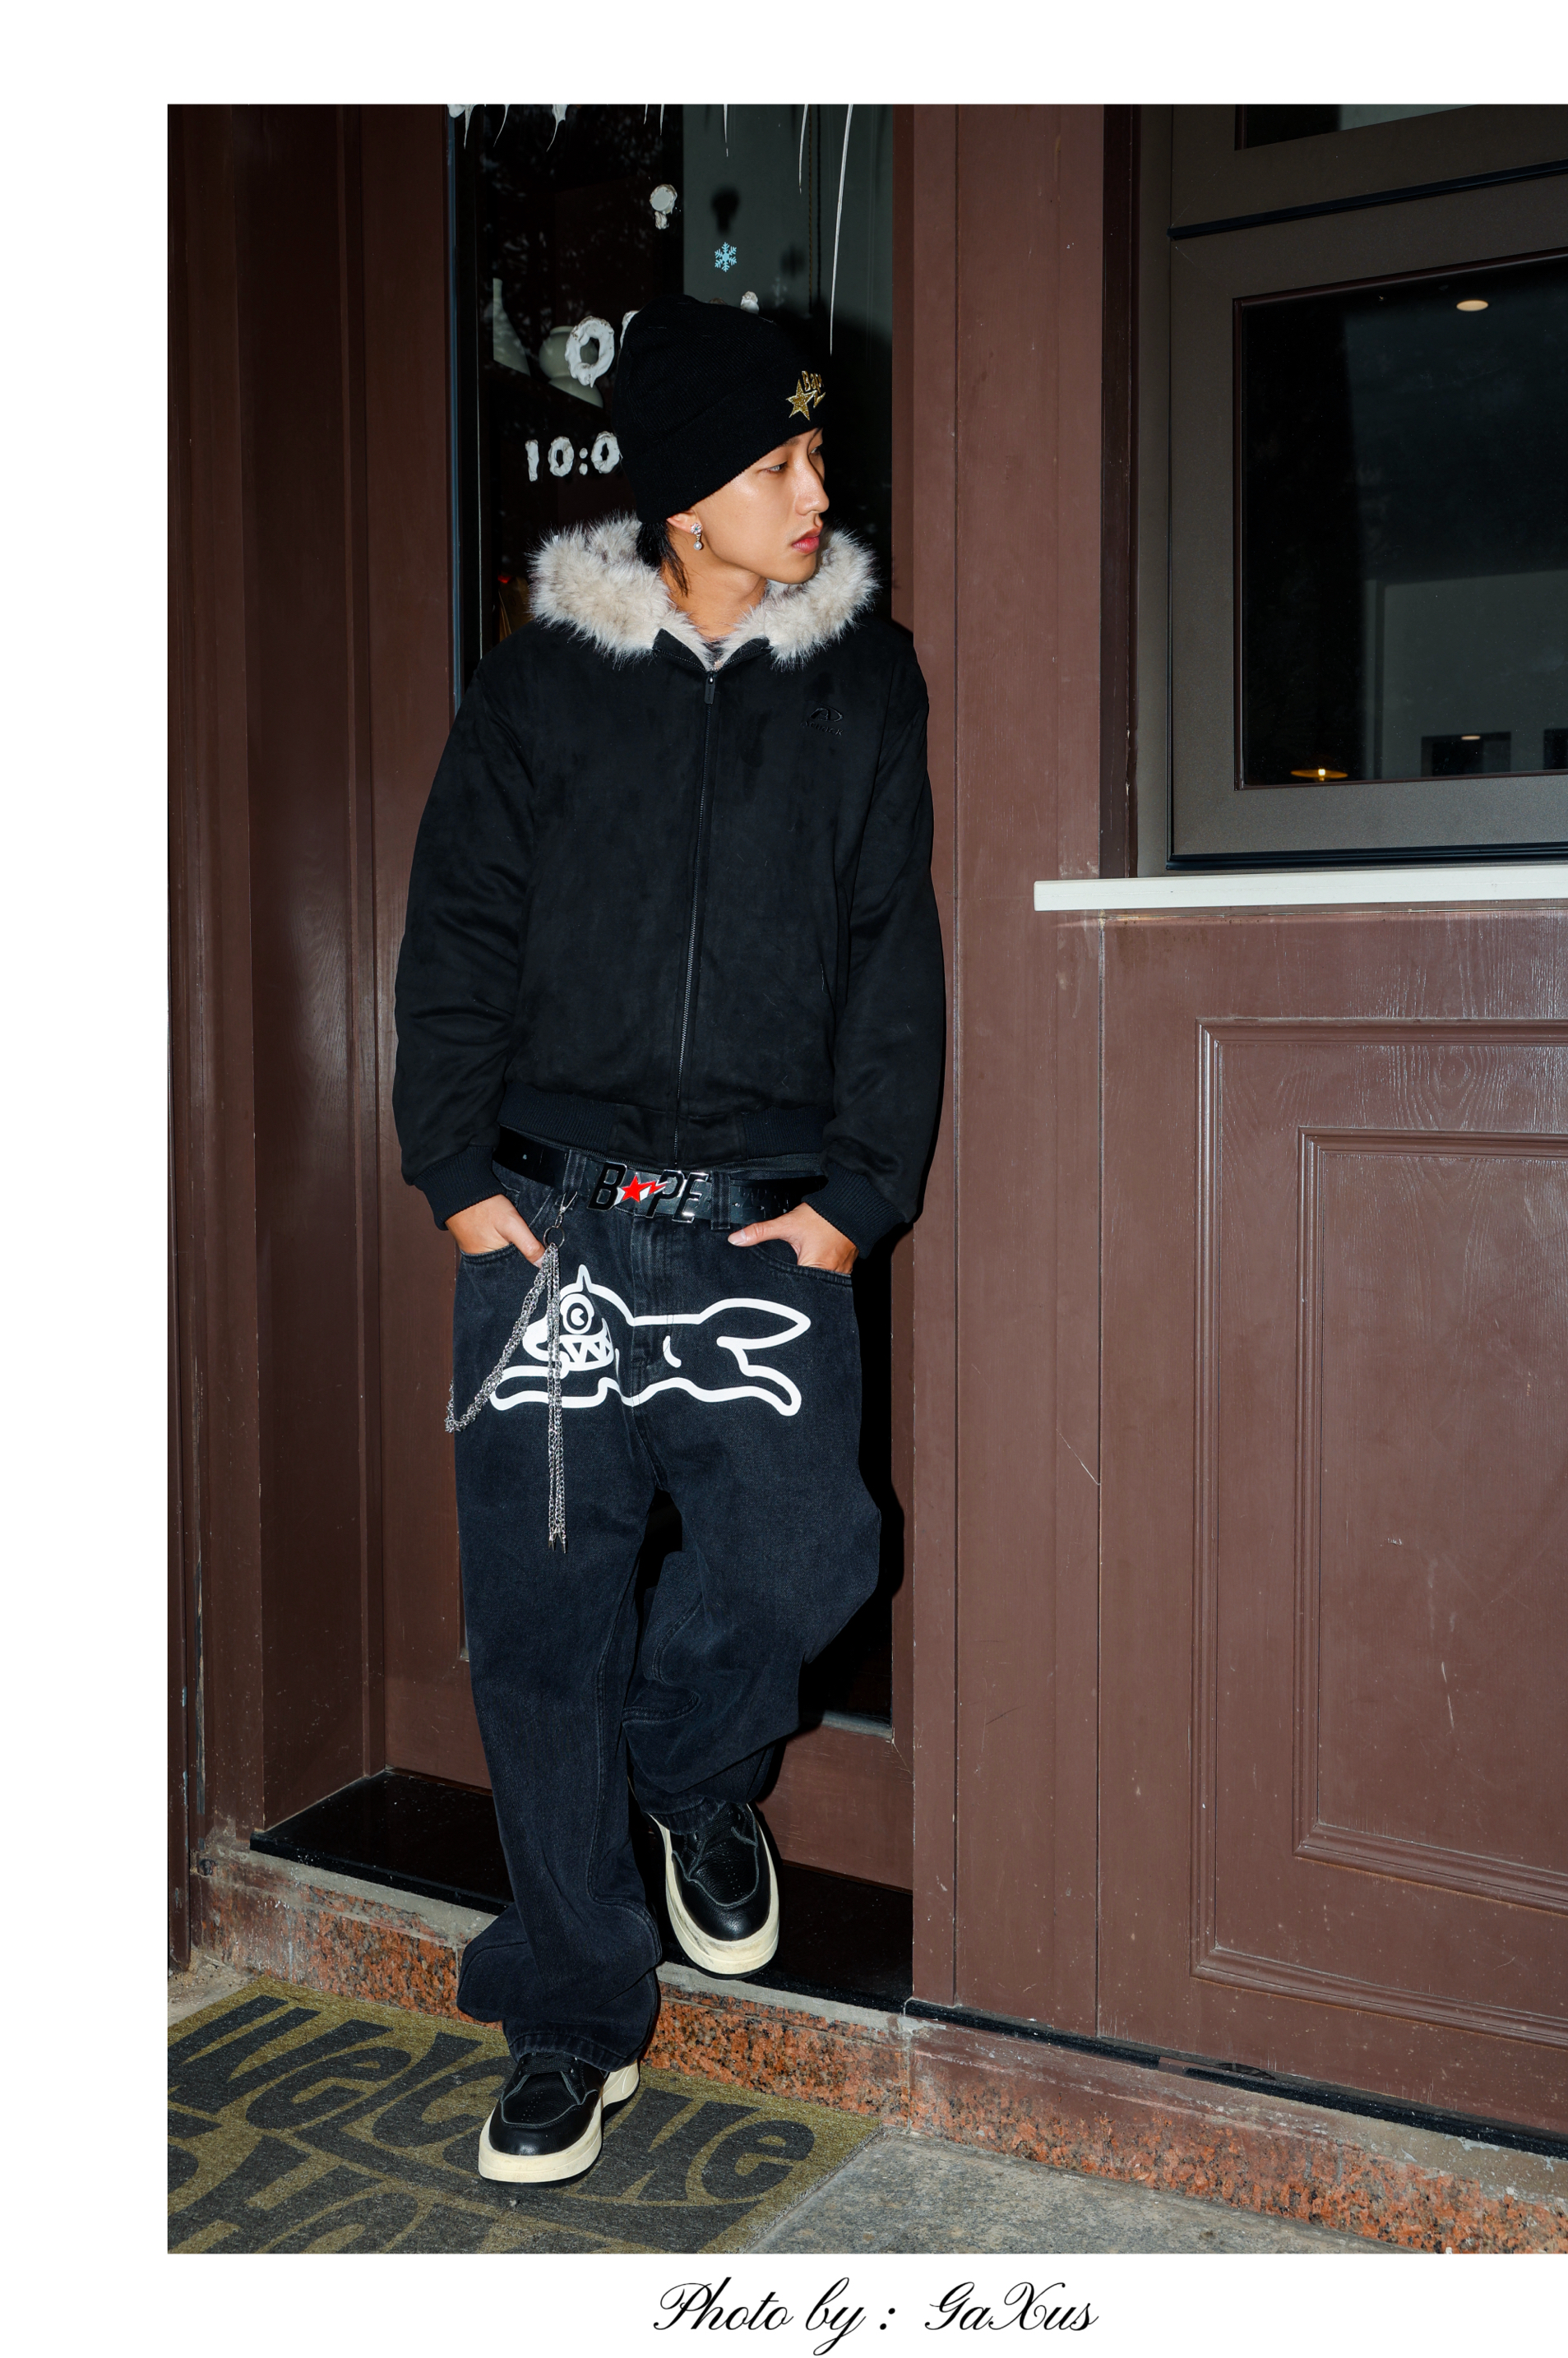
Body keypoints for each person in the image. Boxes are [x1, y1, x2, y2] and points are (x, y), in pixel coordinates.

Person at [391, 294, 945, 2186]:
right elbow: (459, 926)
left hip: (757, 1226)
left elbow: (889, 950)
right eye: (780, 459)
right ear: (683, 493)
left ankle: (689, 1773)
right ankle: (568, 2010)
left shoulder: (863, 683)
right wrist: (453, 1167)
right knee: (539, 1627)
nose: (817, 488)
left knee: (808, 1556)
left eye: (817, 451)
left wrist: (857, 1199)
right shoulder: (543, 683)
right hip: (545, 1224)